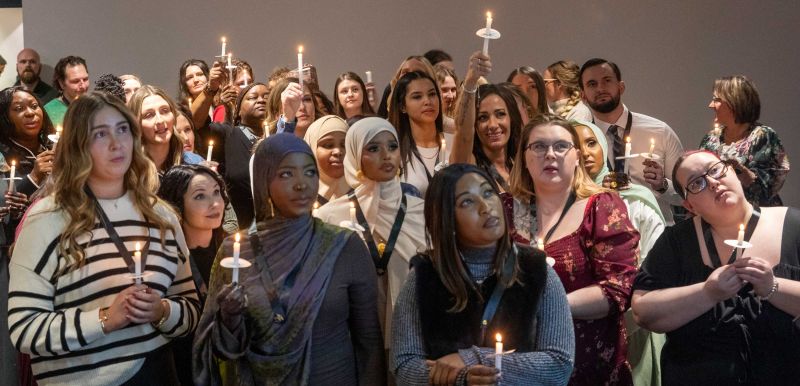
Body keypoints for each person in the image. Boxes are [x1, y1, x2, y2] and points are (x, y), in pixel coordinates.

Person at [7, 92, 200, 385]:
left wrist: (161, 311)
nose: (116, 142)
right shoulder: (47, 220)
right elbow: (24, 329)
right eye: (100, 133)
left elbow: (190, 309)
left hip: (157, 374)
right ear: (77, 146)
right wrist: (105, 318)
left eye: (122, 129)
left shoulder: (161, 216)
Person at [193, 133, 385, 385]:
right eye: (286, 174)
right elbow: (218, 350)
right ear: (263, 181)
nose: (301, 184)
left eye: (309, 172)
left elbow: (369, 342)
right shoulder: (237, 252)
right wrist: (229, 319)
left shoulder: (343, 246)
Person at [391, 163, 575, 386]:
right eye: (467, 201)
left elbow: (559, 364)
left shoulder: (536, 269)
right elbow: (404, 366)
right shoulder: (425, 275)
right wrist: (462, 378)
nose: (485, 207)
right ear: (447, 218)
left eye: (488, 193)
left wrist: (471, 359)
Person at [632, 150, 800, 385]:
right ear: (689, 205)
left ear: (734, 172)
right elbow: (643, 312)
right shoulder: (676, 241)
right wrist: (707, 293)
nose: (712, 182)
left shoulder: (793, 225)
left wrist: (773, 287)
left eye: (715, 169)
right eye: (696, 183)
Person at [509, 114, 639, 385]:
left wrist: (550, 306)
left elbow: (618, 287)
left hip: (587, 363)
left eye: (560, 146)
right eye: (539, 146)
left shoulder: (601, 207)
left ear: (577, 156)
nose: (550, 155)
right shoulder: (503, 209)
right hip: (518, 363)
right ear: (523, 156)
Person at [316, 117, 426, 381]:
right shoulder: (329, 216)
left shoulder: (421, 211)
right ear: (355, 155)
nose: (386, 155)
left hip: (410, 328)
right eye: (373, 148)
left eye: (392, 146)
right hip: (353, 333)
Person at [573, 119, 666, 385]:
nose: (586, 152)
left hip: (635, 313)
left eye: (591, 143)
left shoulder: (635, 199)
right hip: (583, 319)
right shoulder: (562, 205)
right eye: (577, 145)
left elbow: (653, 261)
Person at [579, 57, 685, 224]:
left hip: (656, 235)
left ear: (621, 87)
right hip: (603, 237)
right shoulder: (579, 142)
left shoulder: (659, 132)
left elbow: (686, 195)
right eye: (592, 84)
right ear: (582, 95)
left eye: (607, 80)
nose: (600, 88)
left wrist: (662, 186)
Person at [158, 164, 229, 386]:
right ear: (177, 205)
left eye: (217, 192)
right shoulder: (168, 260)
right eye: (200, 196)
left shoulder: (234, 249)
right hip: (185, 366)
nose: (215, 203)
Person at [700, 75, 790, 207]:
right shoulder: (710, 139)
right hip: (722, 217)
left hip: (757, 217)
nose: (711, 105)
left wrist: (742, 172)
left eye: (716, 100)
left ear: (734, 103)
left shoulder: (762, 136)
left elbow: (767, 188)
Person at [451, 52, 519, 195]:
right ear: (474, 124)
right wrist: (470, 82)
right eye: (482, 118)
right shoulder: (470, 165)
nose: (493, 125)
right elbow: (463, 133)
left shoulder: (523, 165)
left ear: (511, 119)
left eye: (500, 114)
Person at [388, 71, 451, 195]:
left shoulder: (455, 143)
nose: (428, 101)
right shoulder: (395, 151)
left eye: (432, 94)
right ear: (402, 107)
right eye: (417, 97)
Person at [128, 85, 203, 175]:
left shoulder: (193, 163)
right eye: (149, 115)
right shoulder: (127, 168)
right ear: (136, 124)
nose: (160, 120)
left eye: (165, 111)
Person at [0, 86, 55, 203]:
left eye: (35, 106)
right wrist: (34, 177)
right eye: (19, 108)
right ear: (4, 117)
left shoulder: (54, 147)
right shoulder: (2, 156)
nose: (30, 113)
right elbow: (4, 204)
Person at [303, 115, 351, 205]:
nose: (338, 152)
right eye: (328, 145)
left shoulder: (364, 194)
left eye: (344, 145)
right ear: (312, 149)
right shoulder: (299, 198)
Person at [44, 55, 90, 127]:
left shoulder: (94, 106)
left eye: (85, 79)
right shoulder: (49, 111)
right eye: (75, 81)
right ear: (62, 83)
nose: (83, 86)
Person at [178, 59, 224, 131]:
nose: (196, 80)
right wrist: (209, 88)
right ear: (185, 84)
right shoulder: (181, 111)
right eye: (190, 77)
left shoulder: (221, 104)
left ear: (207, 77)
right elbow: (195, 122)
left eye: (199, 74)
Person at [212, 59, 253, 124]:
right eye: (241, 84)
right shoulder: (222, 111)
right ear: (227, 86)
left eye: (250, 82)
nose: (247, 87)